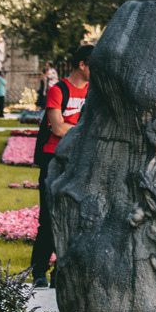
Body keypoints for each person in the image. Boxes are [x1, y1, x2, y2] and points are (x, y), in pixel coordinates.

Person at [31, 45, 93, 287]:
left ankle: (62, 271)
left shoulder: (93, 92)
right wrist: (85, 132)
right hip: (52, 158)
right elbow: (56, 127)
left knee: (74, 218)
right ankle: (39, 272)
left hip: (78, 159)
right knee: (48, 217)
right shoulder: (58, 90)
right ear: (82, 64)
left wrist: (76, 131)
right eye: (93, 65)